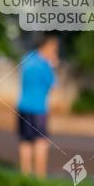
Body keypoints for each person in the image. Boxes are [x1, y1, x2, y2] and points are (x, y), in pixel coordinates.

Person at [16, 35, 59, 178]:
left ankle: (25, 175)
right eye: (54, 48)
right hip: (39, 109)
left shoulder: (26, 58)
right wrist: (52, 66)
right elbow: (52, 85)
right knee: (41, 142)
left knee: (25, 140)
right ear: (46, 46)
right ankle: (40, 176)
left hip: (23, 106)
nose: (55, 51)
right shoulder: (45, 65)